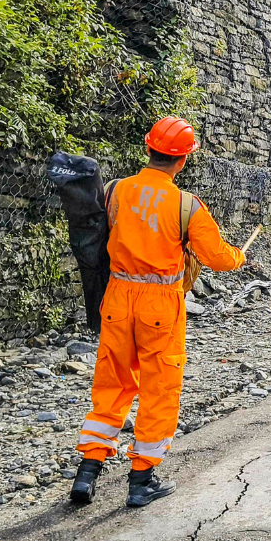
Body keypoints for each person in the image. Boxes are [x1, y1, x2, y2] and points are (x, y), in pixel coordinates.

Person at [70, 117, 247, 508]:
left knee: (112, 383)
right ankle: (142, 479)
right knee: (159, 389)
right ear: (182, 160)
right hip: (161, 306)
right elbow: (217, 258)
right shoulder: (187, 206)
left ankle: (87, 473)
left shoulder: (115, 190)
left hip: (116, 298)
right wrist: (240, 256)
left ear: (148, 149)